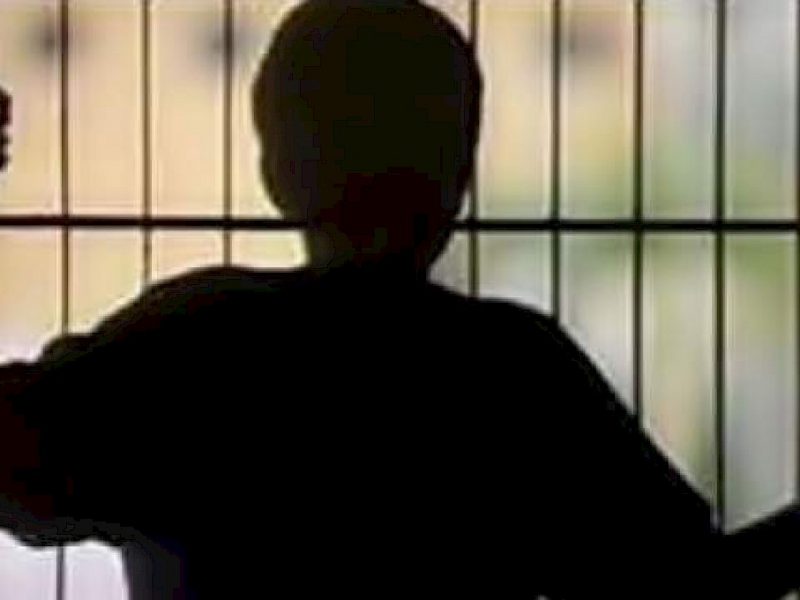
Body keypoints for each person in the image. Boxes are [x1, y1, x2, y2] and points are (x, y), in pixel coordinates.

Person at [1, 1, 800, 597]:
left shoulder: (191, 342)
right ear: (459, 173)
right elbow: (693, 586)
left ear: (276, 172)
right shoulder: (513, 374)